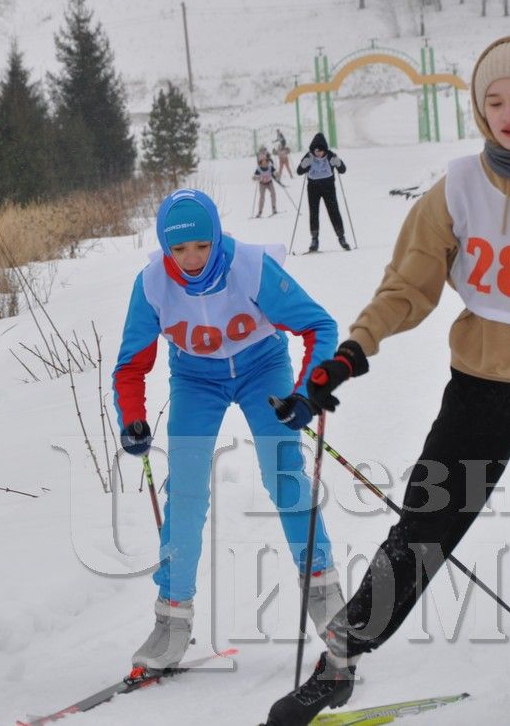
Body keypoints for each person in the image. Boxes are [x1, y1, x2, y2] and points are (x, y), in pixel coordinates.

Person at [262, 36, 510, 726]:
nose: (508, 113)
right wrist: (350, 352)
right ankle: (337, 666)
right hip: (476, 390)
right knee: (421, 529)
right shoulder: (456, 188)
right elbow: (406, 286)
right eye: (494, 101)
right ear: (479, 110)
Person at [111, 189, 345, 672]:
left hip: (263, 367)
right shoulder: (153, 284)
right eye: (179, 250)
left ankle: (326, 597)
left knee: (284, 474)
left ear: (216, 236)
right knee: (188, 492)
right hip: (196, 379)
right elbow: (130, 366)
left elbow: (319, 326)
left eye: (201, 245)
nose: (192, 260)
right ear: (165, 248)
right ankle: (171, 620)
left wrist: (307, 392)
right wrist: (131, 416)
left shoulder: (251, 268)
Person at [295, 133, 350, 252]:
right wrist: (304, 164)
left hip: (328, 187)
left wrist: (338, 162)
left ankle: (341, 237)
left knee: (334, 211)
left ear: (325, 150)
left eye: (321, 151)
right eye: (316, 151)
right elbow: (299, 171)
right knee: (313, 212)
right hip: (313, 187)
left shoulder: (330, 156)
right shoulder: (309, 156)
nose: (318, 153)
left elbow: (343, 170)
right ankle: (314, 239)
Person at [252, 150, 282, 217]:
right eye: (263, 161)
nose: (265, 162)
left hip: (269, 183)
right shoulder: (259, 169)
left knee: (273, 194)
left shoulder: (270, 166)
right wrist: (255, 178)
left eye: (266, 160)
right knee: (262, 197)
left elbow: (275, 172)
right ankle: (260, 212)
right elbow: (255, 177)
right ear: (261, 162)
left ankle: (274, 209)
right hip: (262, 184)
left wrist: (277, 174)